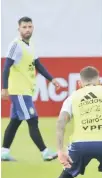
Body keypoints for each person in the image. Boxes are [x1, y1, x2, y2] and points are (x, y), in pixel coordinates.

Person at [1, 16, 59, 161]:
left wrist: (51, 79)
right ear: (19, 29)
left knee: (15, 121)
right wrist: (4, 88)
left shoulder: (30, 45)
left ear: (33, 28)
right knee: (32, 119)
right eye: (24, 27)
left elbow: (38, 64)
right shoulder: (16, 45)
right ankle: (45, 152)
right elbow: (6, 67)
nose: (27, 29)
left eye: (29, 27)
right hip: (19, 91)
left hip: (25, 91)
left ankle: (3, 152)